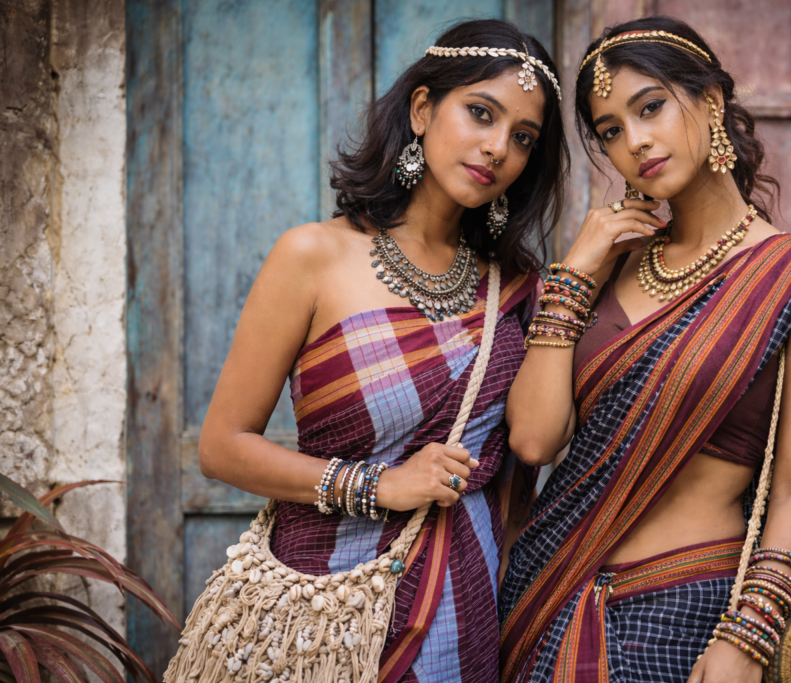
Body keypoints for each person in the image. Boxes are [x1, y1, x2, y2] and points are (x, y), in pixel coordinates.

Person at [499, 16, 791, 683]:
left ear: (711, 100)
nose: (635, 141)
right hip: (550, 599)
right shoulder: (611, 266)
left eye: (650, 107)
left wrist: (748, 635)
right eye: (610, 130)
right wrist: (572, 278)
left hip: (687, 611)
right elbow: (535, 440)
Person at [197, 19, 567, 682]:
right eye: (481, 113)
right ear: (422, 109)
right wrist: (379, 484)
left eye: (523, 138)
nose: (497, 148)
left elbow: (532, 449)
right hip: (325, 610)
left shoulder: (514, 287)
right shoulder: (313, 256)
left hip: (465, 610)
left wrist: (581, 272)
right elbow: (222, 446)